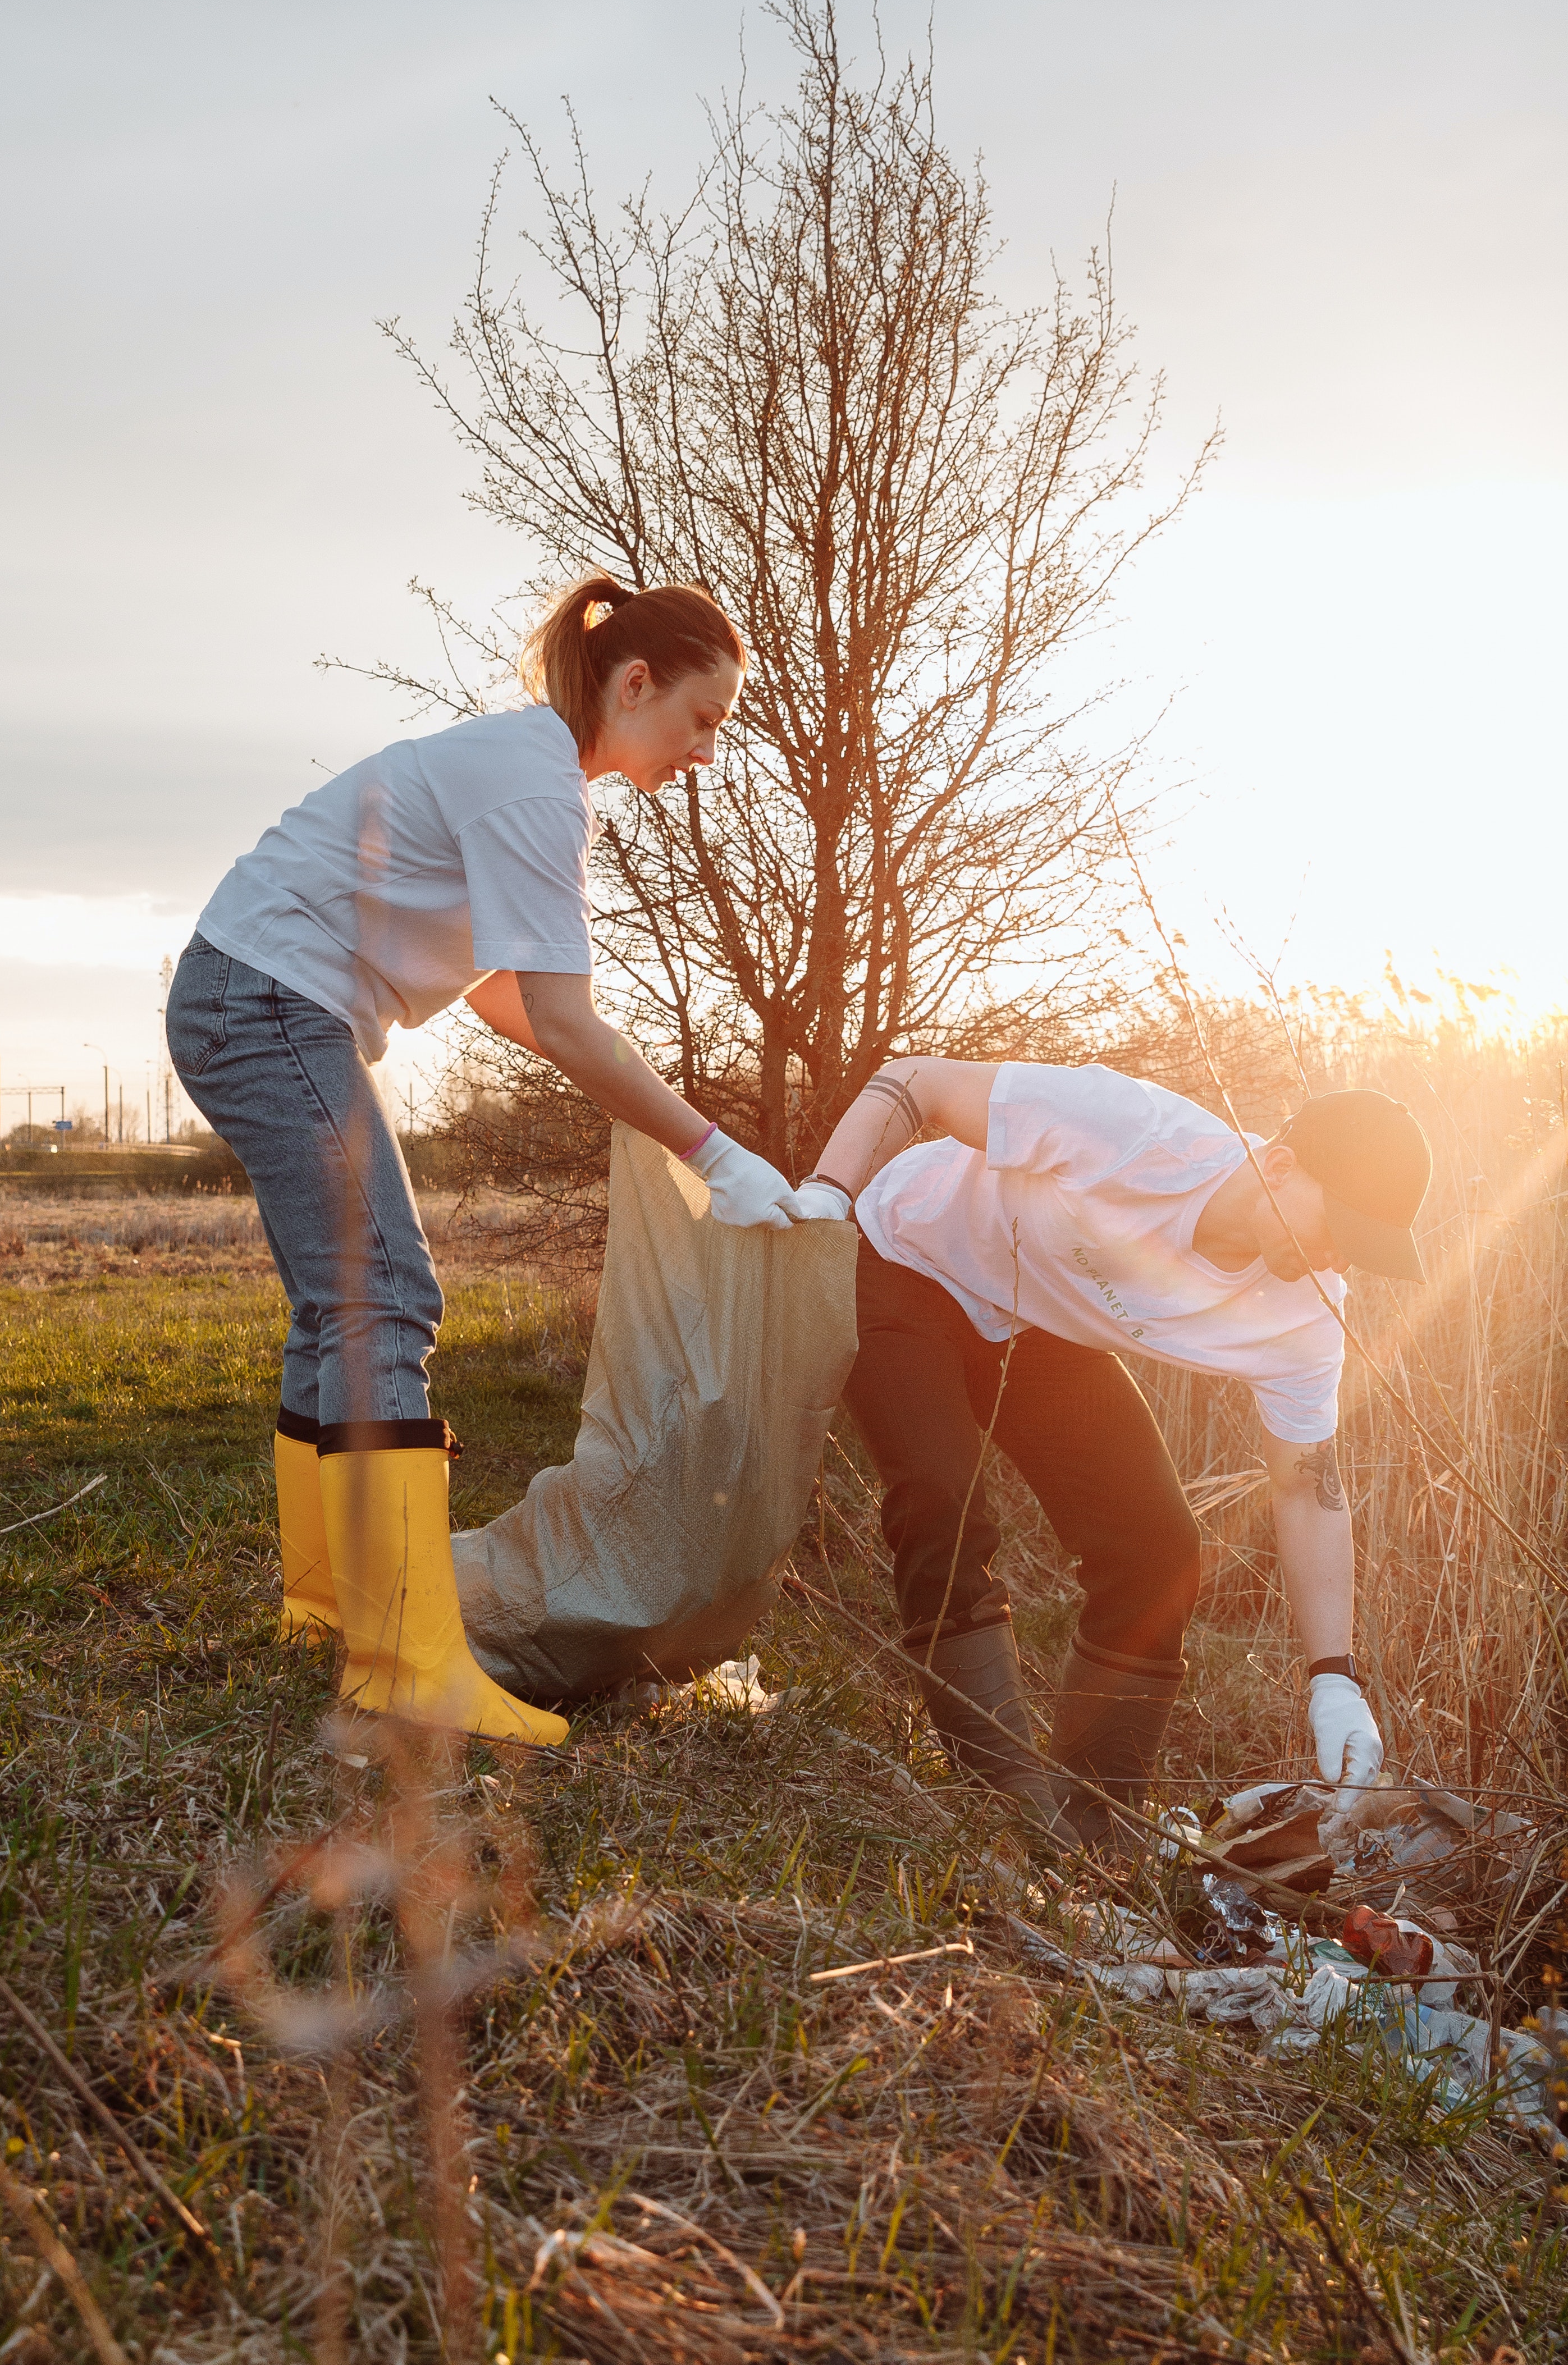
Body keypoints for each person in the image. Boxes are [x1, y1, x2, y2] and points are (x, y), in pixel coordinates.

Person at [167, 573, 813, 1750]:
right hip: (267, 999)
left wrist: (650, 1114)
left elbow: (513, 1001)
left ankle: (328, 1616)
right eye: (703, 719)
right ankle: (406, 1660)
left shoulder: (531, 773)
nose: (706, 751)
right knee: (384, 1295)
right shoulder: (533, 788)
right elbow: (562, 1021)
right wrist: (710, 1147)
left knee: (343, 1304)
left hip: (251, 995)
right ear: (632, 683)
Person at [796, 1060, 1432, 1843]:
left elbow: (1306, 1487)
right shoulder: (1134, 1130)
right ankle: (1004, 1809)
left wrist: (1334, 1678)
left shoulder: (1304, 1318)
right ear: (1277, 1165)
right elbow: (916, 1081)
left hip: (1035, 1324)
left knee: (1158, 1549)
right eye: (1335, 1226)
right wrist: (829, 1190)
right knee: (940, 1496)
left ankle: (1092, 1824)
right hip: (908, 1256)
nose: (1336, 1258)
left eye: (1357, 1248)